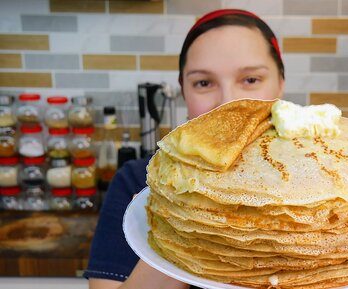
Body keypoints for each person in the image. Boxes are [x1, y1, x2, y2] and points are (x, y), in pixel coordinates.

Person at [84, 9, 285, 289]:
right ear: (184, 92)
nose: (228, 103)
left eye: (250, 80)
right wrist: (178, 223)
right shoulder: (139, 184)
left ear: (280, 84)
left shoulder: (341, 196)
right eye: (203, 83)